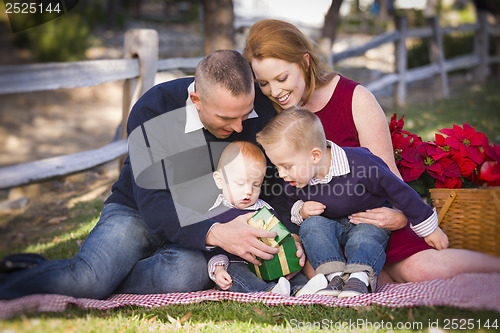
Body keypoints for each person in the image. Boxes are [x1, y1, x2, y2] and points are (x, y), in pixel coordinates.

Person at [0, 50, 293, 300]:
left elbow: (273, 181)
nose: (241, 128)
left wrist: (287, 233)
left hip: (211, 219)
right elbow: (154, 202)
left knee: (185, 274)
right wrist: (216, 233)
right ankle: (30, 280)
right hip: (137, 211)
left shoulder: (261, 112)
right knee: (88, 281)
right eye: (227, 118)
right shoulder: (154, 110)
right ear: (197, 99)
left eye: (245, 114)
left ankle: (108, 279)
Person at [243, 19, 500, 284]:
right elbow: (277, 191)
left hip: (370, 219)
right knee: (332, 276)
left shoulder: (353, 98)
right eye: (263, 83)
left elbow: (387, 174)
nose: (275, 92)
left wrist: (399, 217)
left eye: (282, 78)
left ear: (305, 62)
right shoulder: (267, 112)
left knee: (425, 272)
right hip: (318, 232)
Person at [257, 107, 448, 297]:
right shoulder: (294, 179)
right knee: (312, 226)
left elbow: (399, 191)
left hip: (366, 221)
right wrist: (302, 210)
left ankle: (359, 278)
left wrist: (429, 228)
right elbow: (292, 202)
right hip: (331, 226)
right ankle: (334, 277)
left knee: (364, 238)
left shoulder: (361, 163)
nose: (281, 174)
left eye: (286, 166)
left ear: (314, 156)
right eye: (277, 167)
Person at [204, 140, 326, 296]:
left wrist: (289, 250)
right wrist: (219, 269)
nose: (248, 191)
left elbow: (279, 235)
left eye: (256, 185)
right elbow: (211, 247)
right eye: (240, 183)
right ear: (220, 180)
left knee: (286, 269)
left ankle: (302, 289)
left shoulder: (264, 208)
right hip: (236, 263)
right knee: (236, 274)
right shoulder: (215, 213)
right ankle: (268, 292)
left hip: (266, 261)